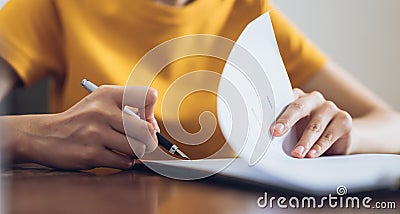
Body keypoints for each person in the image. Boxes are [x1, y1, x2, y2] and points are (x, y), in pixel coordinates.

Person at [0, 0, 399, 170]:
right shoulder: (56, 4)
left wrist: (342, 135)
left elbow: (391, 123)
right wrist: (34, 135)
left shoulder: (246, 10)